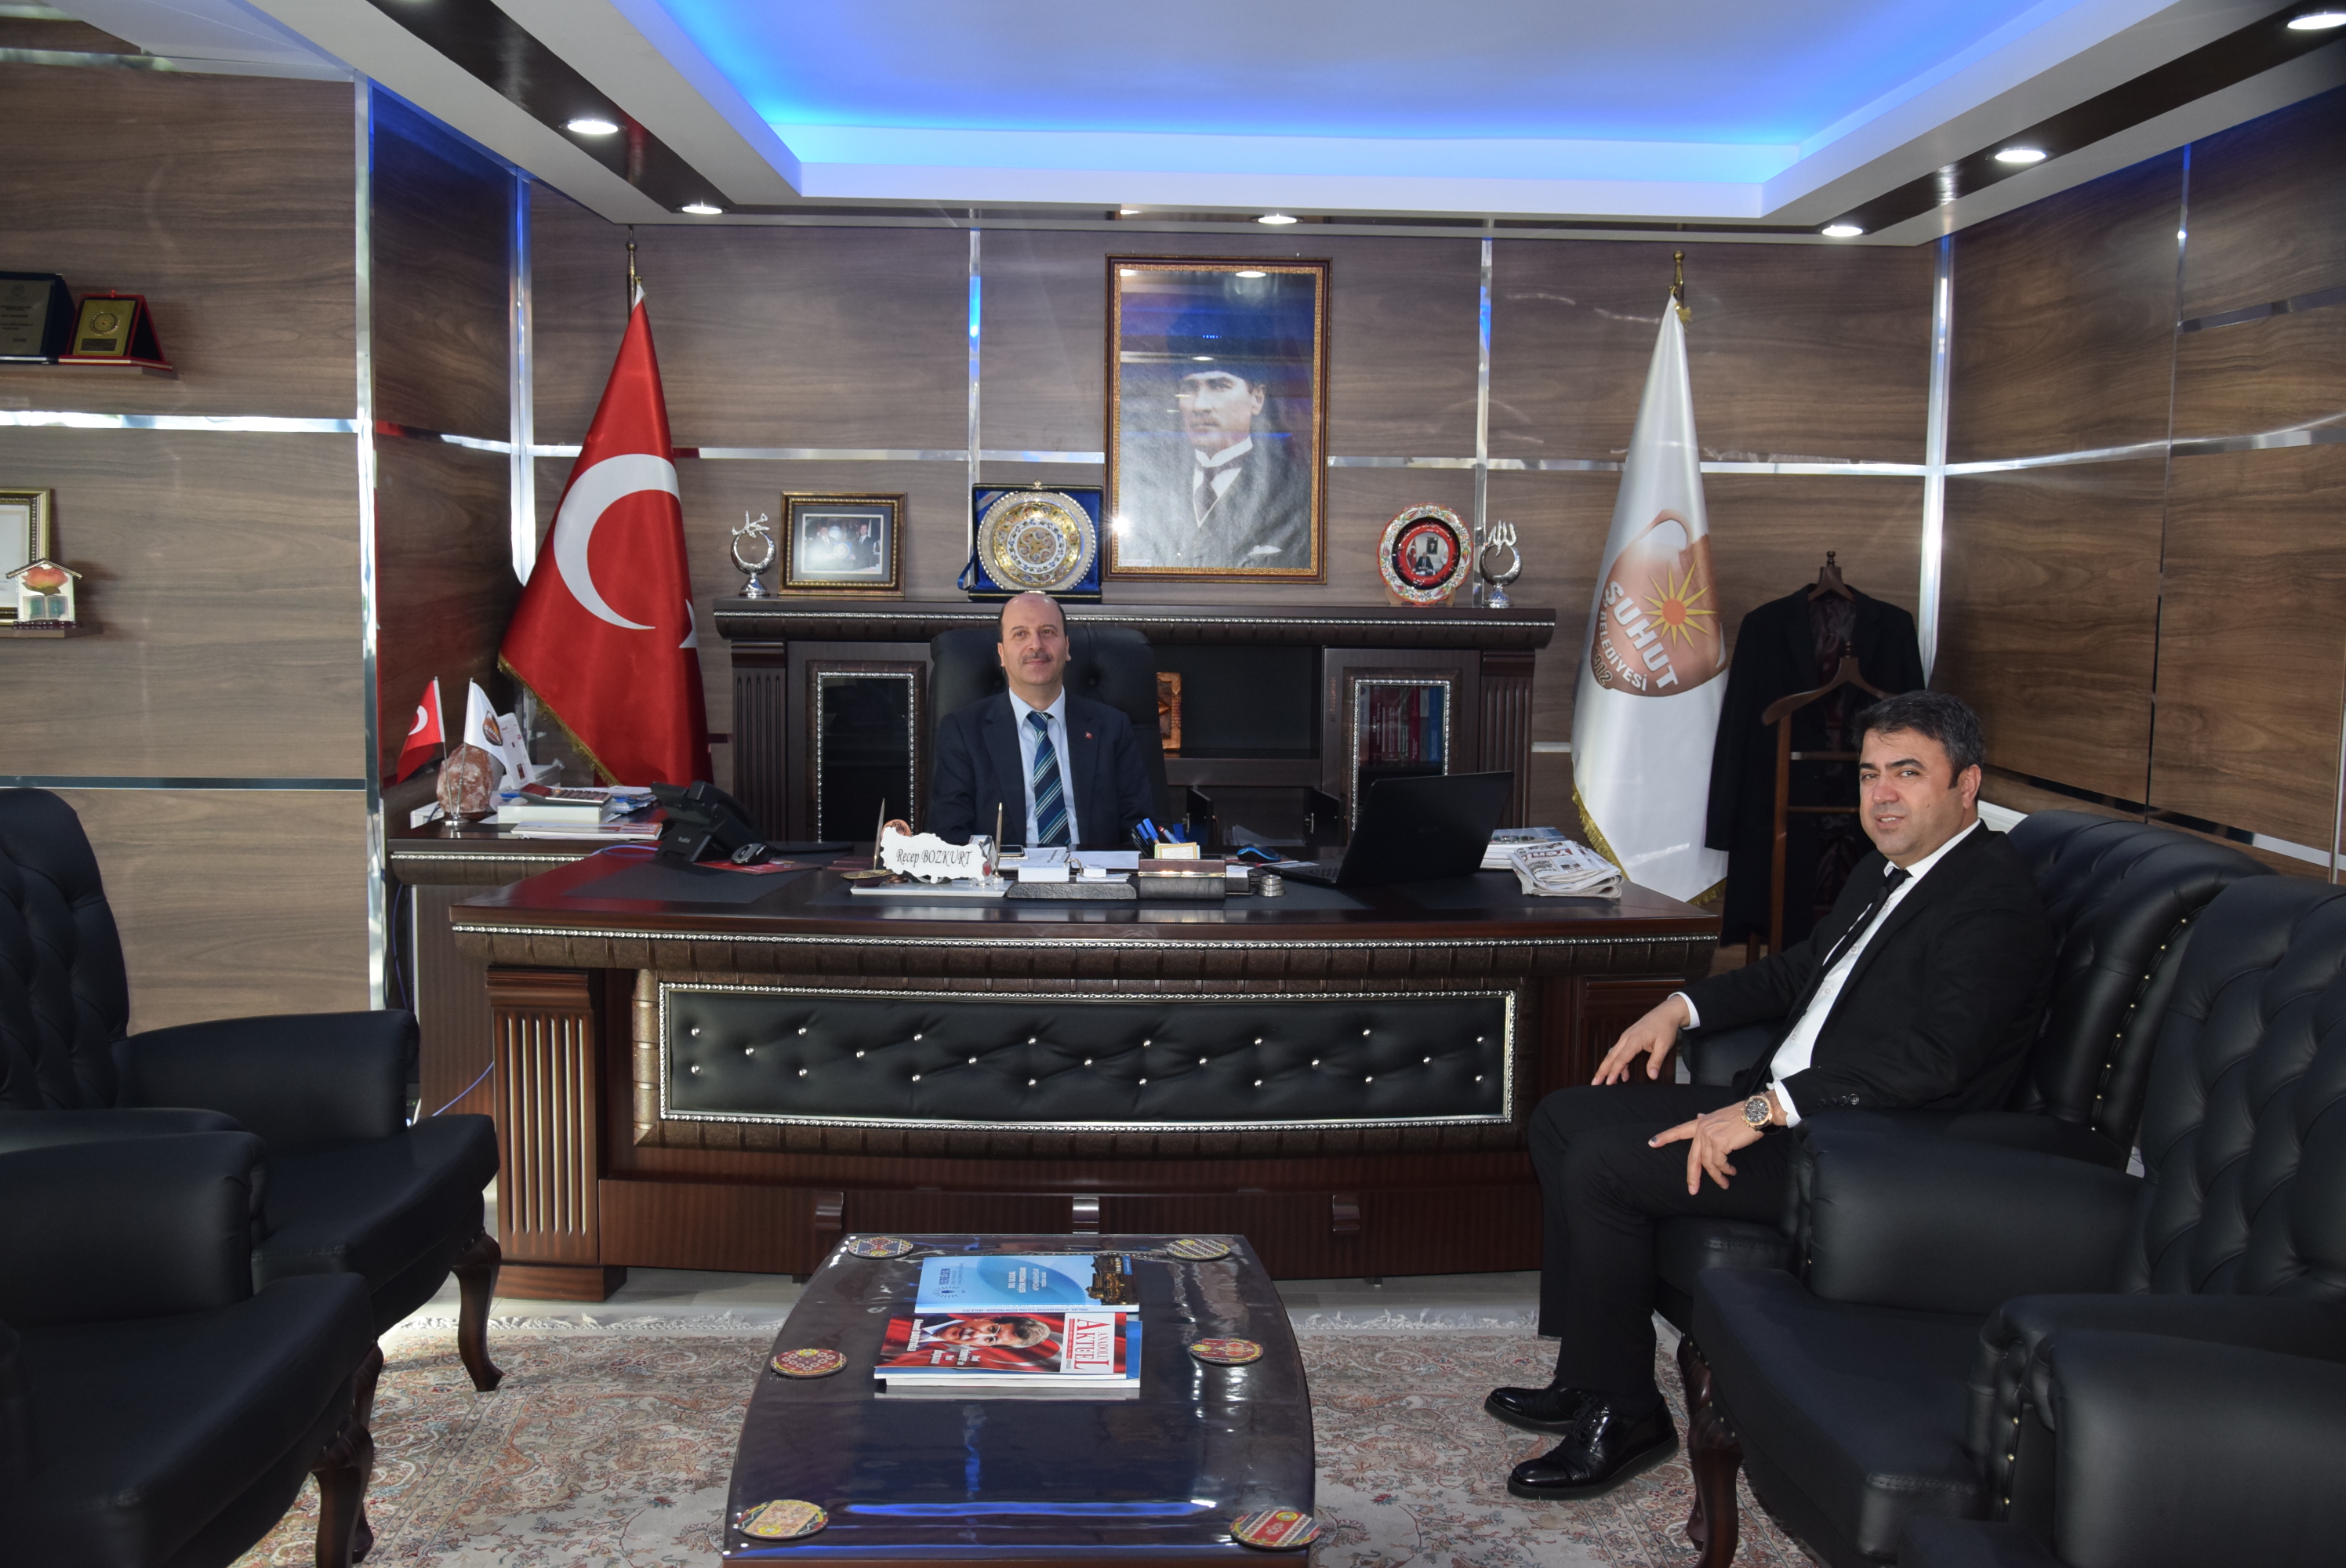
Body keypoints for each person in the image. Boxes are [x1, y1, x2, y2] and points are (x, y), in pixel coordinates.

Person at [1486, 691, 2054, 1502]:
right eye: (1869, 774)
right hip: (1793, 1109)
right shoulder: (1886, 868)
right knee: (1562, 1117)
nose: (1882, 795)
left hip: (1865, 1154)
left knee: (1606, 1165)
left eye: (1907, 773)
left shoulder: (1991, 902)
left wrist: (1763, 1111)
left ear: (1967, 784)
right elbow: (1796, 972)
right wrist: (1679, 1007)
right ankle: (1590, 1372)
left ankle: (1628, 1412)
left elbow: (1935, 1062)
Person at [926, 590, 1155, 851]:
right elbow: (950, 837)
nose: (1036, 645)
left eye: (1047, 632)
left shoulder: (1112, 727)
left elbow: (1138, 829)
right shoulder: (963, 732)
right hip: (1003, 874)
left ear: (1066, 647)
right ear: (1002, 653)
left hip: (1092, 873)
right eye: (1020, 634)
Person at [1117, 360, 1312, 572]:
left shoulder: (1294, 488)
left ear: (1257, 399)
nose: (1199, 406)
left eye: (1219, 386)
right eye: (1189, 389)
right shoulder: (1148, 484)